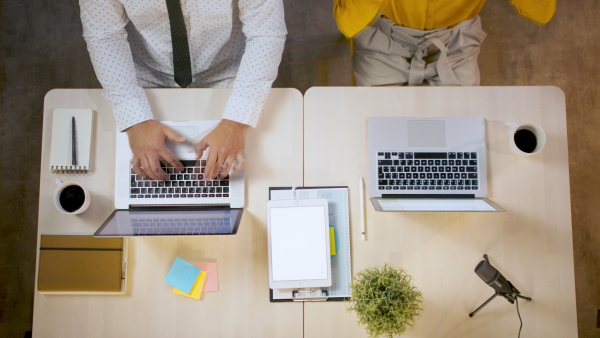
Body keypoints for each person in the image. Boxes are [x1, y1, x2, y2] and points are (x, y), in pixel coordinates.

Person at [79, 0, 286, 181]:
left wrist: (236, 123)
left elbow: (265, 33)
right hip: (147, 76)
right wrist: (136, 122)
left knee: (247, 176)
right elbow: (105, 37)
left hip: (230, 71)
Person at [333, 0, 555, 86]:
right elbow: (348, 23)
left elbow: (541, 12)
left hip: (455, 42)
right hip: (386, 40)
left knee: (458, 138)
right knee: (376, 132)